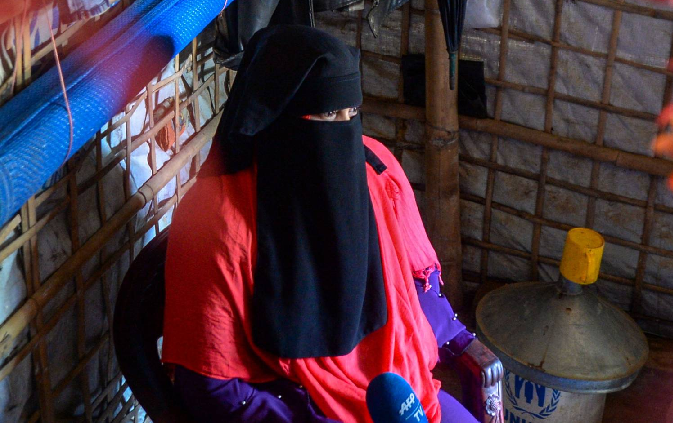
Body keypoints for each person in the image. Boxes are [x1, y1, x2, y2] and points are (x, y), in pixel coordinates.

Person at [161, 25, 481, 422]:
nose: (344, 132)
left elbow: (417, 287)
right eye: (328, 113)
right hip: (289, 404)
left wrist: (461, 342)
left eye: (352, 113)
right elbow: (210, 385)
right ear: (279, 115)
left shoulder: (372, 169)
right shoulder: (216, 218)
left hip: (399, 391)